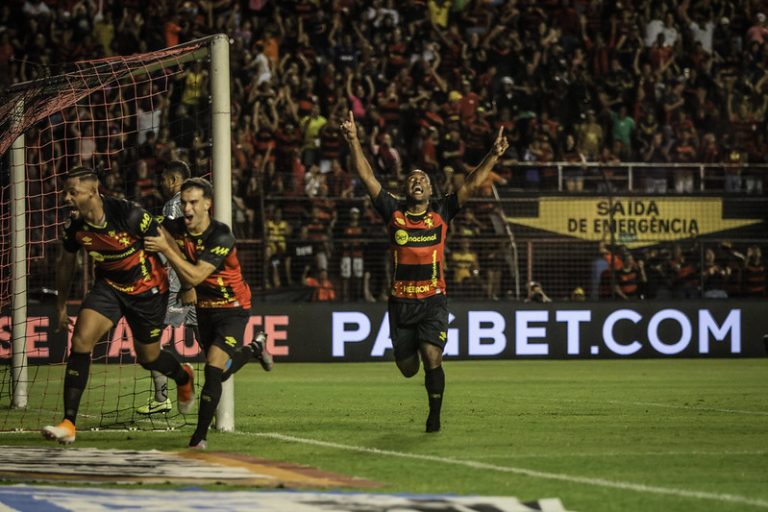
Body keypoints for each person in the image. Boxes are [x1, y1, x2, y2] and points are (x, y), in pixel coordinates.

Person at [341, 110, 508, 433]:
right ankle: (413, 347)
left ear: (431, 191)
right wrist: (353, 141)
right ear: (406, 189)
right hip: (401, 303)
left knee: (433, 354)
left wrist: (493, 155)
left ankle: (434, 417)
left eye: (423, 180)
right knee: (407, 368)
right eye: (412, 179)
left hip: (433, 300)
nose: (418, 182)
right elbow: (367, 177)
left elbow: (472, 182)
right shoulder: (393, 212)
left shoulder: (444, 210)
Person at [42, 166, 195, 445]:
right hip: (109, 288)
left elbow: (169, 243)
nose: (66, 198)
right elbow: (66, 263)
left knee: (148, 358)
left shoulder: (128, 213)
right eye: (65, 192)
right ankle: (69, 423)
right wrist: (61, 304)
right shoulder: (75, 226)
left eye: (72, 192)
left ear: (92, 191)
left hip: (148, 291)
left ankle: (183, 377)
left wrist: (187, 285)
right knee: (80, 341)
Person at [144, 178, 273, 449]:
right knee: (222, 371)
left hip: (233, 308)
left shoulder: (221, 235)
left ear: (207, 205)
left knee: (213, 370)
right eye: (184, 202)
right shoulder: (175, 226)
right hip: (203, 308)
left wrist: (170, 253)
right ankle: (255, 348)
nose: (187, 208)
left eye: (193, 202)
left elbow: (195, 273)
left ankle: (198, 438)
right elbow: (147, 225)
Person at [137, 160, 198, 415]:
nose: (161, 183)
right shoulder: (198, 201)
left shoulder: (175, 204)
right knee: (209, 338)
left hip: (176, 282)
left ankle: (162, 397)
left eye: (164, 178)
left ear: (174, 180)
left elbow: (173, 243)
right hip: (200, 277)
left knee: (149, 339)